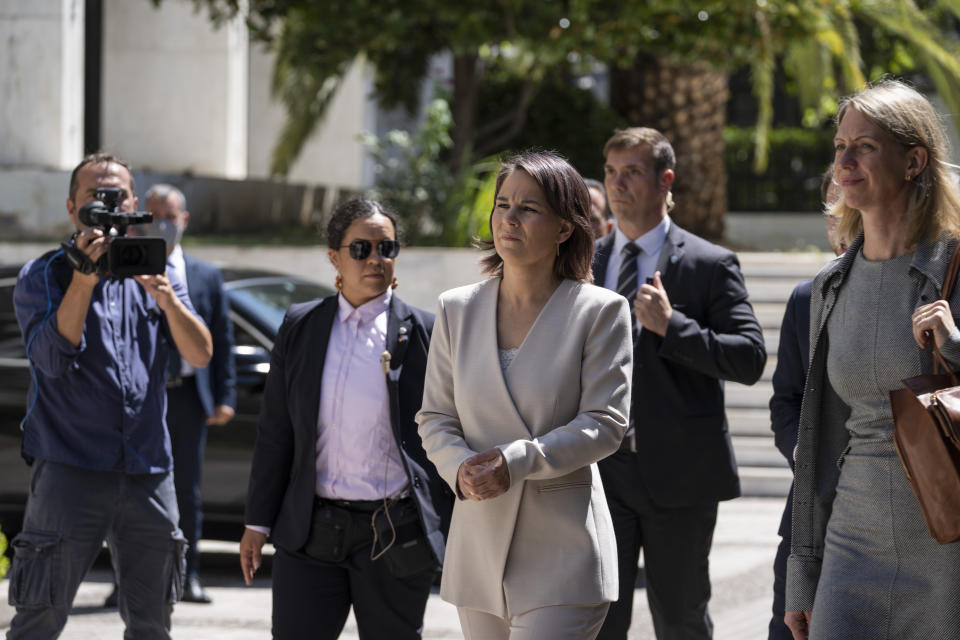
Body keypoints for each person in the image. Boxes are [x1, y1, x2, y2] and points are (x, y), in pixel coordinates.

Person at [417, 150, 633, 640]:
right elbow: (434, 416)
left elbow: (605, 424)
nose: (508, 218)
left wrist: (515, 462)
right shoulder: (456, 309)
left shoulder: (600, 311)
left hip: (564, 552)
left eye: (528, 208)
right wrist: (458, 467)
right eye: (502, 204)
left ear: (563, 228)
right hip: (478, 550)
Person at [8, 153, 213, 639]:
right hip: (69, 467)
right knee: (39, 619)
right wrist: (83, 279)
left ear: (134, 203)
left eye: (115, 195)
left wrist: (165, 297)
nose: (106, 205)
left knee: (152, 624)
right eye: (93, 197)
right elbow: (53, 361)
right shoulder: (45, 274)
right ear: (71, 207)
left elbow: (200, 354)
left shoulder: (155, 268)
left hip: (147, 470)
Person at [785, 80, 960, 640]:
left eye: (864, 146)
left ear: (913, 161)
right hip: (852, 537)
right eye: (840, 147)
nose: (845, 160)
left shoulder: (955, 268)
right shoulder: (830, 287)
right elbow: (817, 443)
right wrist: (802, 575)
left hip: (947, 537)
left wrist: (955, 344)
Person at [239, 199, 452, 639]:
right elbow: (276, 431)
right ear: (335, 256)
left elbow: (451, 429)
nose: (376, 259)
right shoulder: (301, 326)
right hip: (311, 532)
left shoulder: (427, 332)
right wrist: (257, 523)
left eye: (386, 248)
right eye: (361, 248)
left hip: (395, 533)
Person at [592, 127, 767, 640]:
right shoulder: (586, 262)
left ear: (666, 180)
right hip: (601, 473)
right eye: (611, 172)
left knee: (681, 620)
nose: (618, 185)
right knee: (599, 620)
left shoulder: (710, 264)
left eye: (633, 173)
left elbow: (749, 358)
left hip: (681, 478)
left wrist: (674, 327)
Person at [102, 184, 237, 607]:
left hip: (185, 398)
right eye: (154, 216)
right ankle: (123, 580)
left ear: (184, 220)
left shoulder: (204, 275)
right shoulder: (122, 268)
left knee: (186, 489)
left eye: (171, 216)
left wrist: (224, 396)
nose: (163, 224)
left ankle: (188, 575)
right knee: (128, 489)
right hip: (136, 401)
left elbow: (222, 340)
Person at [767, 166, 844, 640]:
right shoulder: (805, 298)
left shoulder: (924, 293)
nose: (842, 220)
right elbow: (785, 402)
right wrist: (804, 452)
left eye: (850, 209)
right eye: (832, 211)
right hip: (807, 524)